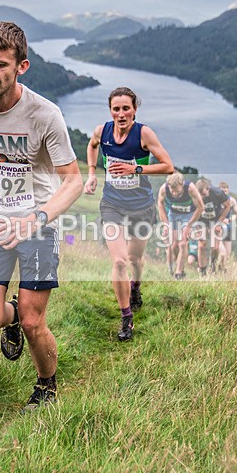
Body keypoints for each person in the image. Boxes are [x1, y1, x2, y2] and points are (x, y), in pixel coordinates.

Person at [0, 22, 83, 412]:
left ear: (21, 66)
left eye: (0, 64)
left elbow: (73, 182)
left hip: (37, 225)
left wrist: (37, 218)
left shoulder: (45, 115)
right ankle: (9, 319)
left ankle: (46, 386)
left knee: (33, 321)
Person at [83, 87, 174, 341]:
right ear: (110, 110)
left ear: (135, 109)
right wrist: (91, 174)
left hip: (141, 207)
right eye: (116, 109)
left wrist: (135, 170)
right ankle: (126, 318)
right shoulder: (103, 131)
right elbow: (92, 146)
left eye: (126, 108)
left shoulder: (143, 133)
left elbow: (168, 166)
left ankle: (135, 288)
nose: (121, 114)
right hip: (112, 204)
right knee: (120, 261)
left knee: (135, 259)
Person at [156, 171, 204, 280]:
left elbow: (200, 207)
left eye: (177, 191)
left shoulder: (190, 188)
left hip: (189, 215)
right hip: (174, 214)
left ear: (182, 185)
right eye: (172, 191)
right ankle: (180, 267)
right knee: (174, 246)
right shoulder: (164, 189)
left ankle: (178, 272)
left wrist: (189, 226)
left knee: (183, 243)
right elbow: (160, 204)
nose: (174, 194)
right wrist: (165, 224)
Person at [194, 178, 232, 276]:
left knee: (215, 247)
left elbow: (228, 205)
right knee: (202, 245)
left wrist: (219, 223)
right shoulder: (193, 194)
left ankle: (213, 265)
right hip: (201, 220)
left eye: (203, 194)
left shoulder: (218, 193)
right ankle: (202, 271)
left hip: (215, 220)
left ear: (208, 189)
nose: (202, 197)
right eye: (200, 195)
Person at [216, 181, 237, 272]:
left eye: (226, 189)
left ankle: (222, 270)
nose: (225, 191)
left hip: (228, 226)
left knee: (228, 254)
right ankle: (216, 267)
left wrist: (229, 219)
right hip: (218, 227)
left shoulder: (232, 200)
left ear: (228, 190)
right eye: (222, 190)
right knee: (222, 252)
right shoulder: (216, 200)